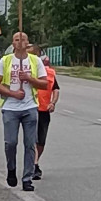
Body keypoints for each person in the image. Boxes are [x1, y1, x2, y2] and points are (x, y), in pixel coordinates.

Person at [0, 32, 48, 192]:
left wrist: (29, 79)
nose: (20, 42)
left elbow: (44, 84)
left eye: (23, 39)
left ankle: (27, 178)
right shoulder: (6, 60)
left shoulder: (35, 61)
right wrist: (13, 93)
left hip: (29, 107)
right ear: (13, 44)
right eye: (17, 39)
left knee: (30, 144)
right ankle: (11, 169)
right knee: (11, 143)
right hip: (10, 108)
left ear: (27, 43)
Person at [28, 45, 60, 180]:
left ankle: (35, 162)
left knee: (41, 141)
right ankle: (34, 165)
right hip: (30, 109)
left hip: (44, 110)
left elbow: (56, 89)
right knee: (33, 140)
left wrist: (53, 102)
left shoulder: (49, 73)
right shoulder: (25, 71)